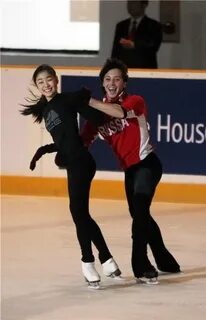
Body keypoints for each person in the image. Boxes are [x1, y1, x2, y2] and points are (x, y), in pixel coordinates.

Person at [30, 59, 181, 285]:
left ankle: (141, 266)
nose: (112, 83)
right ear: (102, 83)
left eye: (117, 78)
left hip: (147, 164)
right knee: (140, 215)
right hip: (129, 171)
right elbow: (83, 140)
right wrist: (60, 152)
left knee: (139, 210)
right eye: (107, 79)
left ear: (124, 82)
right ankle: (165, 259)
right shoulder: (97, 110)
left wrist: (88, 100)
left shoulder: (135, 100)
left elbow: (119, 112)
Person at [20, 64, 126, 289]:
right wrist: (44, 151)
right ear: (37, 86)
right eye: (41, 82)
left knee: (78, 212)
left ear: (56, 80)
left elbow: (97, 119)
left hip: (81, 162)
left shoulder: (68, 99)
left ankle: (88, 262)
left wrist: (86, 99)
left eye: (49, 79)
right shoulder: (46, 111)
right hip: (74, 163)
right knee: (81, 214)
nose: (46, 84)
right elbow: (63, 140)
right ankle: (107, 259)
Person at [111, 0, 162, 68]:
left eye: (134, 2)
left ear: (144, 5)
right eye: (129, 2)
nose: (130, 5)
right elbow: (115, 51)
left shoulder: (154, 25)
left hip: (145, 69)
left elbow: (153, 45)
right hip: (123, 70)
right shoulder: (121, 25)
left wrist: (134, 44)